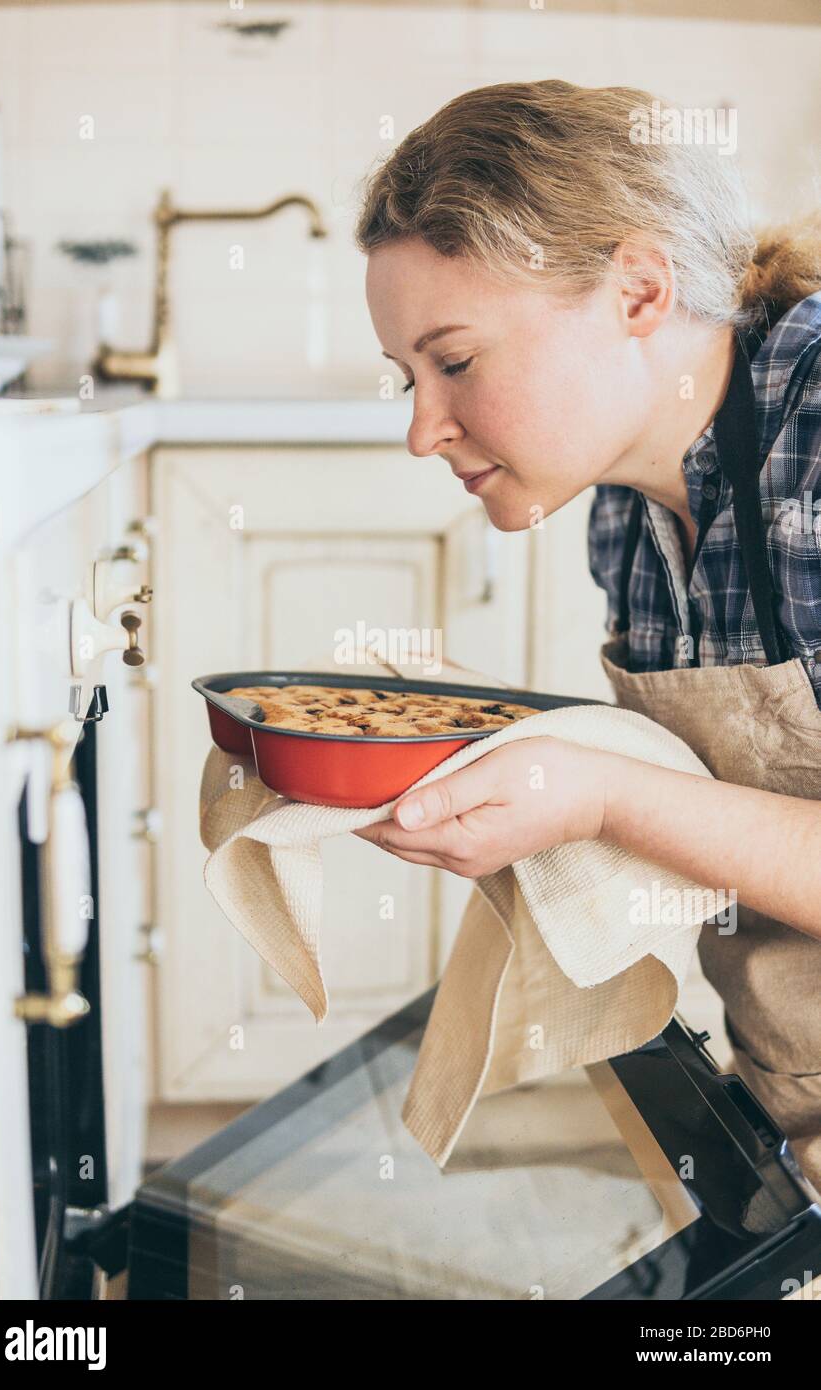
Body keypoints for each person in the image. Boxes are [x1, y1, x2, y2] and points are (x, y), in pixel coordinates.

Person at [351, 80, 821, 1193]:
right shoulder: (622, 502)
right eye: (406, 378)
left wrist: (600, 794)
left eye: (453, 361)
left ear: (638, 290)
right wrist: (510, 746)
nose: (423, 429)